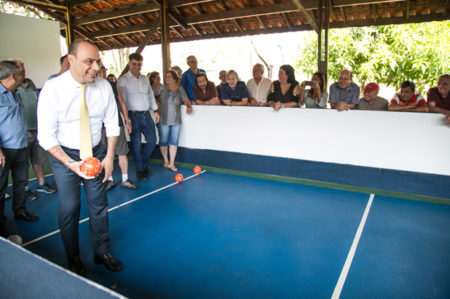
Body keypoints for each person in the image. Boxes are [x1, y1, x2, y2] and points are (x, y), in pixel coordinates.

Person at [38, 39, 123, 275]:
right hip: (65, 156)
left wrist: (109, 157)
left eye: (98, 61)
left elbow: (112, 124)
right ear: (71, 60)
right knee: (70, 207)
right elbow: (45, 136)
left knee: (99, 205)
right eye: (89, 61)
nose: (96, 67)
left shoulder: (104, 86)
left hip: (95, 153)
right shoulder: (53, 89)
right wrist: (70, 163)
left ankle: (101, 252)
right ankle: (73, 258)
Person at [0, 60, 39, 228]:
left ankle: (20, 210)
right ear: (12, 75)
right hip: (4, 149)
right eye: (20, 72)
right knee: (0, 186)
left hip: (21, 146)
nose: (23, 75)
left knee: (21, 182)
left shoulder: (16, 93)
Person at [14, 59, 57, 200]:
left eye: (24, 67)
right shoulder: (10, 88)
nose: (24, 70)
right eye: (20, 68)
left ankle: (41, 183)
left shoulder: (30, 83)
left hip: (38, 129)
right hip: (22, 131)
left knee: (38, 159)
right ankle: (25, 188)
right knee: (23, 162)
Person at [117, 53, 159, 181]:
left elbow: (150, 95)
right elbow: (122, 101)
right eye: (134, 64)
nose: (136, 66)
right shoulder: (122, 81)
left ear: (142, 64)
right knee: (136, 145)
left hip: (147, 114)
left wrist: (155, 111)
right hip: (133, 116)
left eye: (139, 64)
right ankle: (140, 170)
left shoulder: (145, 79)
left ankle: (143, 164)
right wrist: (127, 119)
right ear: (129, 64)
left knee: (152, 141)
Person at [98, 67, 137, 191]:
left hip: (116, 124)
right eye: (101, 71)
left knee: (122, 152)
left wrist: (127, 120)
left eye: (104, 71)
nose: (103, 73)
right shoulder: (90, 86)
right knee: (104, 154)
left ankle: (125, 179)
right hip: (99, 126)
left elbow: (122, 103)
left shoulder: (113, 85)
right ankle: (108, 179)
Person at [154, 70, 192, 171]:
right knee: (163, 141)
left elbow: (186, 100)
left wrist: (188, 106)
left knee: (174, 141)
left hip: (176, 120)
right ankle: (166, 160)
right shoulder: (161, 88)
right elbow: (152, 96)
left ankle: (172, 163)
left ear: (175, 79)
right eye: (166, 76)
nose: (167, 78)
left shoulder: (180, 89)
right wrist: (156, 106)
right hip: (163, 119)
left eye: (169, 77)